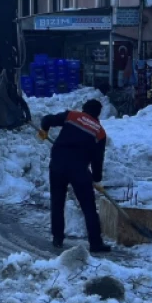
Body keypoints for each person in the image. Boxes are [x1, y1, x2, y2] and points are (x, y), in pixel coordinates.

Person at [38, 99, 112, 254]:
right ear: (98, 113)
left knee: (57, 202)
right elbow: (98, 159)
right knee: (88, 207)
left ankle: (57, 238)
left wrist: (44, 130)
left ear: (84, 109)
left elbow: (47, 119)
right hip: (79, 169)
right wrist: (97, 179)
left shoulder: (71, 116)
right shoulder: (100, 132)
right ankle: (95, 244)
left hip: (58, 164)